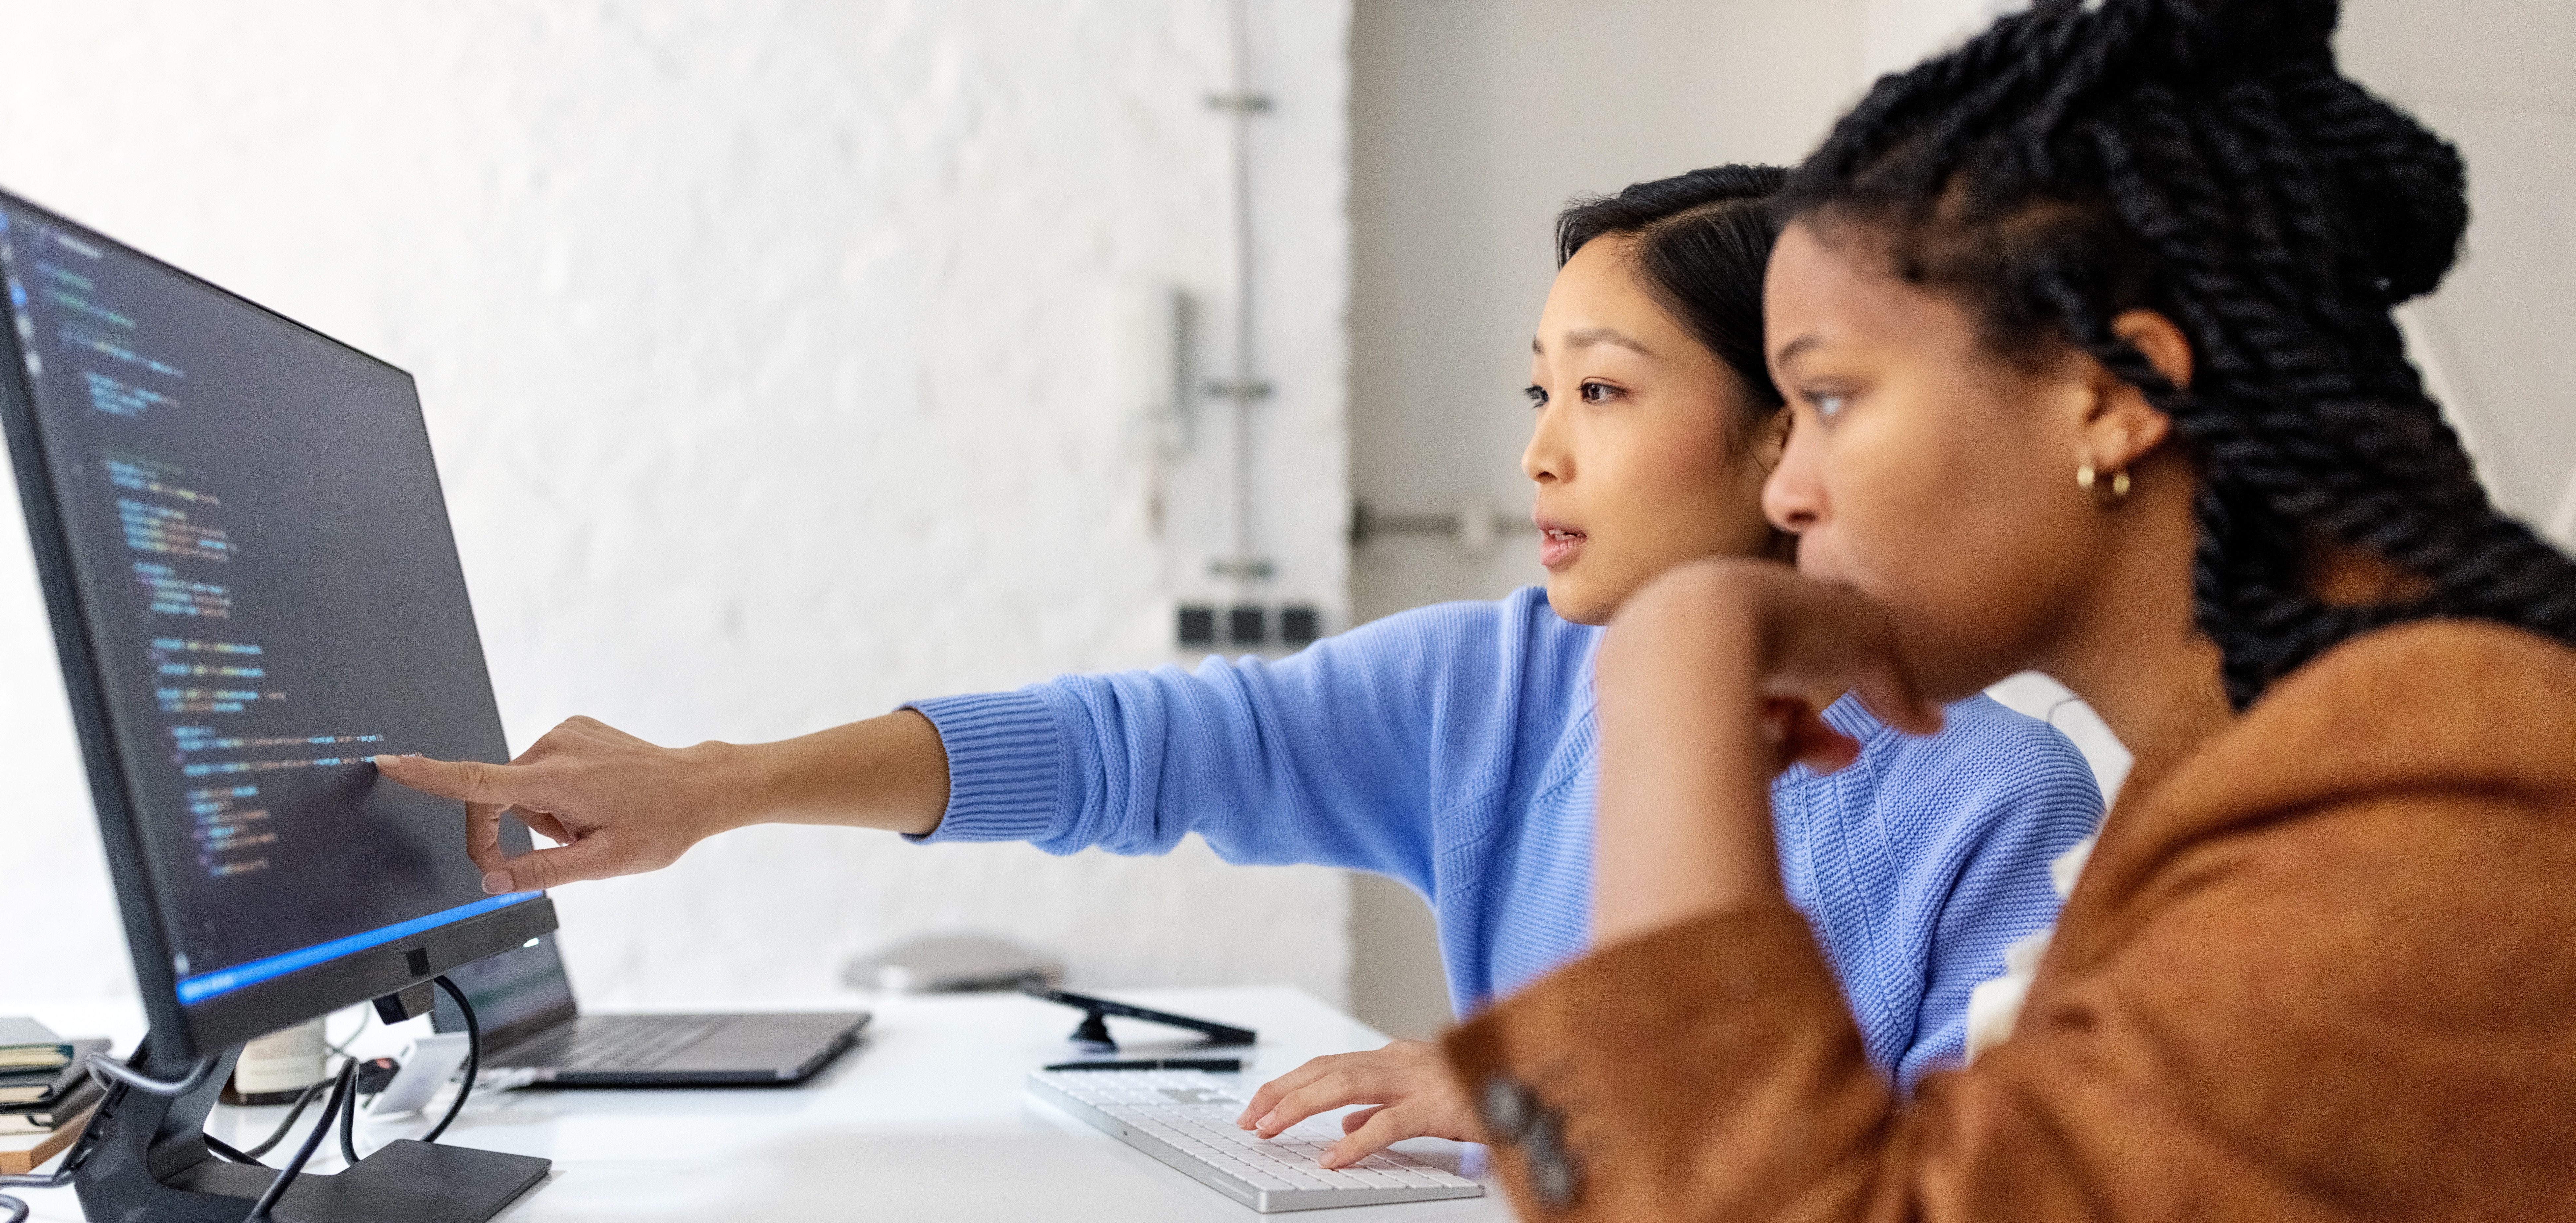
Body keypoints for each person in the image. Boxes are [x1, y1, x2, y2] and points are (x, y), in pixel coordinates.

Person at [377, 168, 2102, 1168]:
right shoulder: (1497, 690)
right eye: (1537, 394)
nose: (1542, 457)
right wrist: (718, 788)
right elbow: (1130, 749)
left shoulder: (1989, 803)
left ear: (1783, 434)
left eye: (1605, 390)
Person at [1441, 0, 2576, 1217]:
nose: (1788, 486)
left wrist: (1676, 679)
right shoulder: (2255, 771)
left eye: (1829, 398)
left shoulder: (2425, 809)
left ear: (2109, 394)